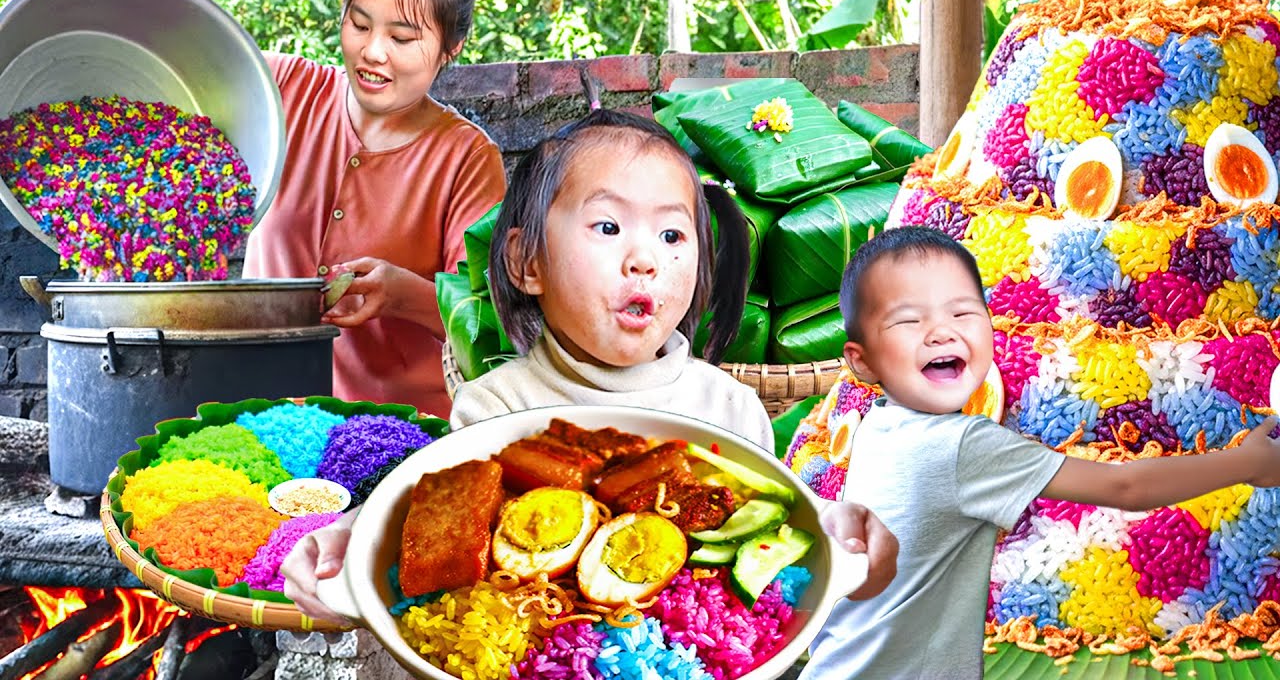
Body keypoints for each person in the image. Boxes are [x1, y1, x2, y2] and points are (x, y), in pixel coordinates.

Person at [281, 95, 900, 624]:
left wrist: (852, 553)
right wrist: (348, 538)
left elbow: (775, 564)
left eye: (671, 235)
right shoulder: (497, 405)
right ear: (528, 263)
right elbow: (434, 515)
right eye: (608, 228)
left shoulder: (729, 407)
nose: (644, 259)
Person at [802, 225, 1280, 679]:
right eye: (909, 320)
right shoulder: (963, 444)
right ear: (861, 361)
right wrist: (1250, 463)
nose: (941, 333)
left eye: (962, 313)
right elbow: (1126, 486)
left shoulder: (878, 422)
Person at [76, 0, 506, 419]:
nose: (373, 52)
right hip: (262, 419)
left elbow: (491, 329)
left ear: (450, 47)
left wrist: (404, 295)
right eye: (359, 24)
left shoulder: (467, 159)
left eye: (401, 39)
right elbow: (171, 64)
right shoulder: (281, 89)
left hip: (395, 439)